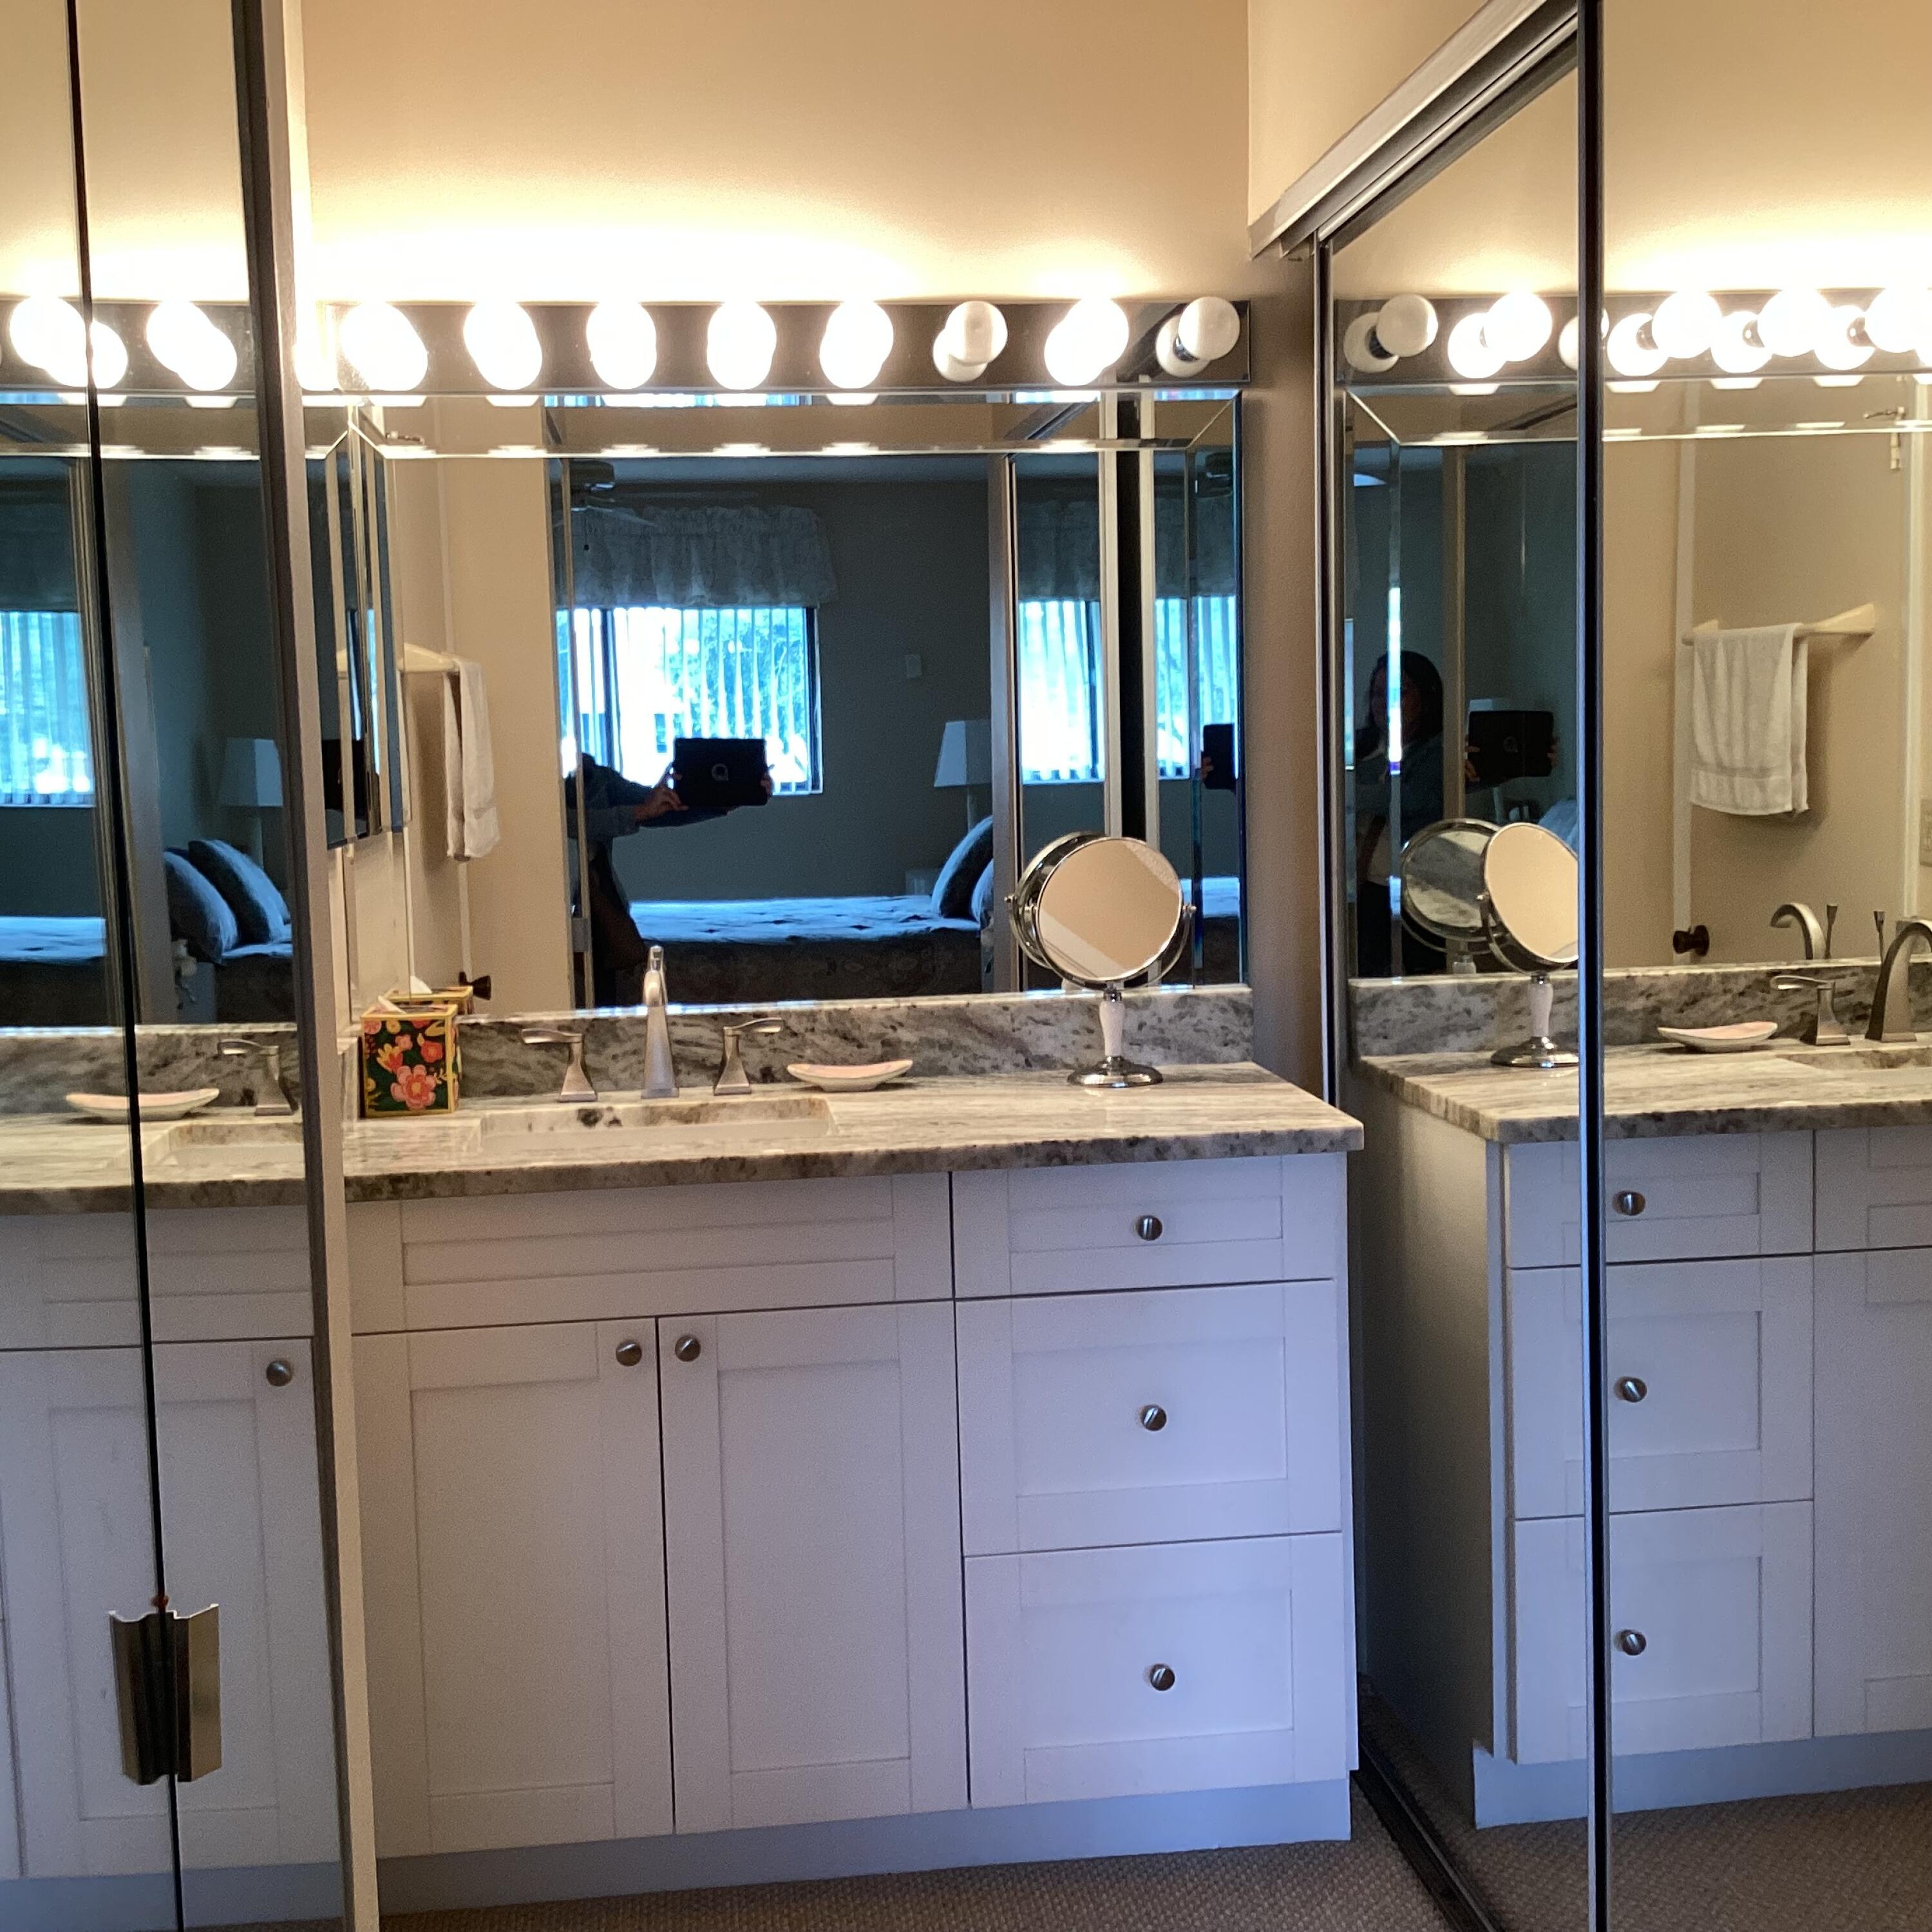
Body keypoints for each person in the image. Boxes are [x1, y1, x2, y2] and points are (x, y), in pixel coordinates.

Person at [564, 752, 766, 1006]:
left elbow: (658, 808)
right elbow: (564, 822)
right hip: (576, 912)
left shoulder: (594, 780)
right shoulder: (540, 789)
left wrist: (735, 796)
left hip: (594, 916)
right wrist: (640, 812)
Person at [1353, 652, 1447, 978]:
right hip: (1360, 886)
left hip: (1417, 890)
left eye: (1398, 692)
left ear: (1427, 697)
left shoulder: (1439, 750)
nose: (1385, 703)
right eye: (1378, 694)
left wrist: (1346, 789)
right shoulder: (1357, 746)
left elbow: (1409, 798)